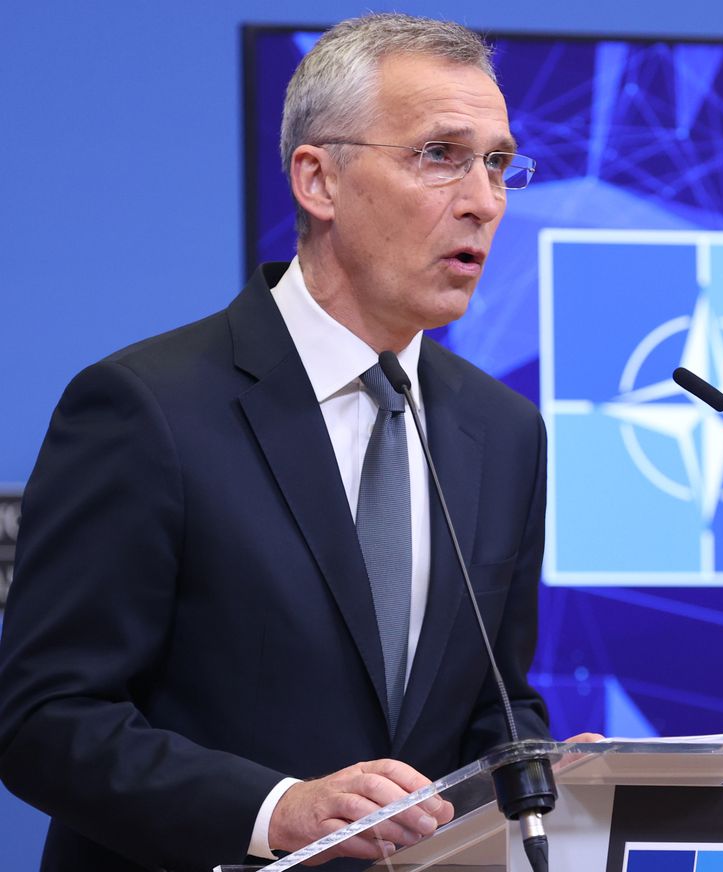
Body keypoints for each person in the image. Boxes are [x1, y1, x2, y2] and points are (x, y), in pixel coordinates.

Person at [0, 14, 595, 872]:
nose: (484, 200)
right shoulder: (148, 408)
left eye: (499, 163)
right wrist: (279, 809)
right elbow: (43, 719)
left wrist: (537, 768)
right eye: (440, 155)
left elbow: (490, 702)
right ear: (318, 179)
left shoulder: (501, 431)